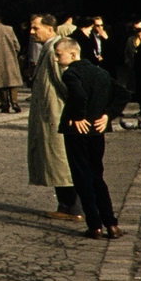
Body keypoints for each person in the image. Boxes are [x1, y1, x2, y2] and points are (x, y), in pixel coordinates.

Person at [55, 38, 121, 239]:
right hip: (96, 130)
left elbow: (79, 96)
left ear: (73, 54)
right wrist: (108, 114)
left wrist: (78, 116)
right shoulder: (100, 72)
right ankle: (111, 223)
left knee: (82, 177)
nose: (57, 59)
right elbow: (122, 93)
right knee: (97, 175)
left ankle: (95, 225)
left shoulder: (71, 73)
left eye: (59, 55)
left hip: (77, 131)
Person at [28, 14, 82, 222]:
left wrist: (75, 112)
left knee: (60, 161)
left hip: (57, 116)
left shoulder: (54, 51)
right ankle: (67, 205)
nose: (32, 32)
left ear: (50, 29)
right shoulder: (48, 49)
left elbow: (66, 84)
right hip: (52, 116)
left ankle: (72, 207)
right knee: (57, 161)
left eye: (35, 28)